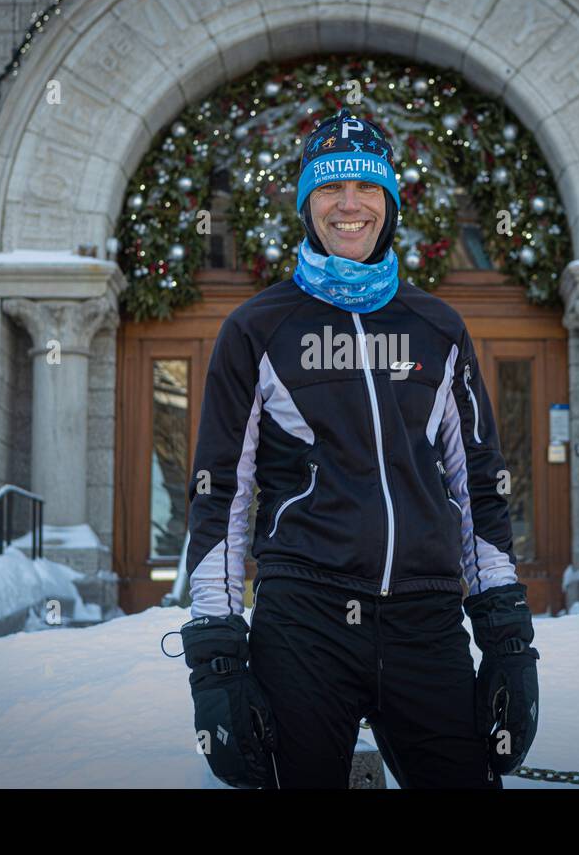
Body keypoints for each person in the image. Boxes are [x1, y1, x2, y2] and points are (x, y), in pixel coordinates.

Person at [177, 108, 539, 789]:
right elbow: (221, 492)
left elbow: (479, 485)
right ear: (307, 204)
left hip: (425, 620)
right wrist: (217, 656)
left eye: (367, 188)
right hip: (303, 622)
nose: (350, 205)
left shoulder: (438, 327)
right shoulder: (256, 328)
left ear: (389, 203)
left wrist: (507, 637)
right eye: (329, 188)